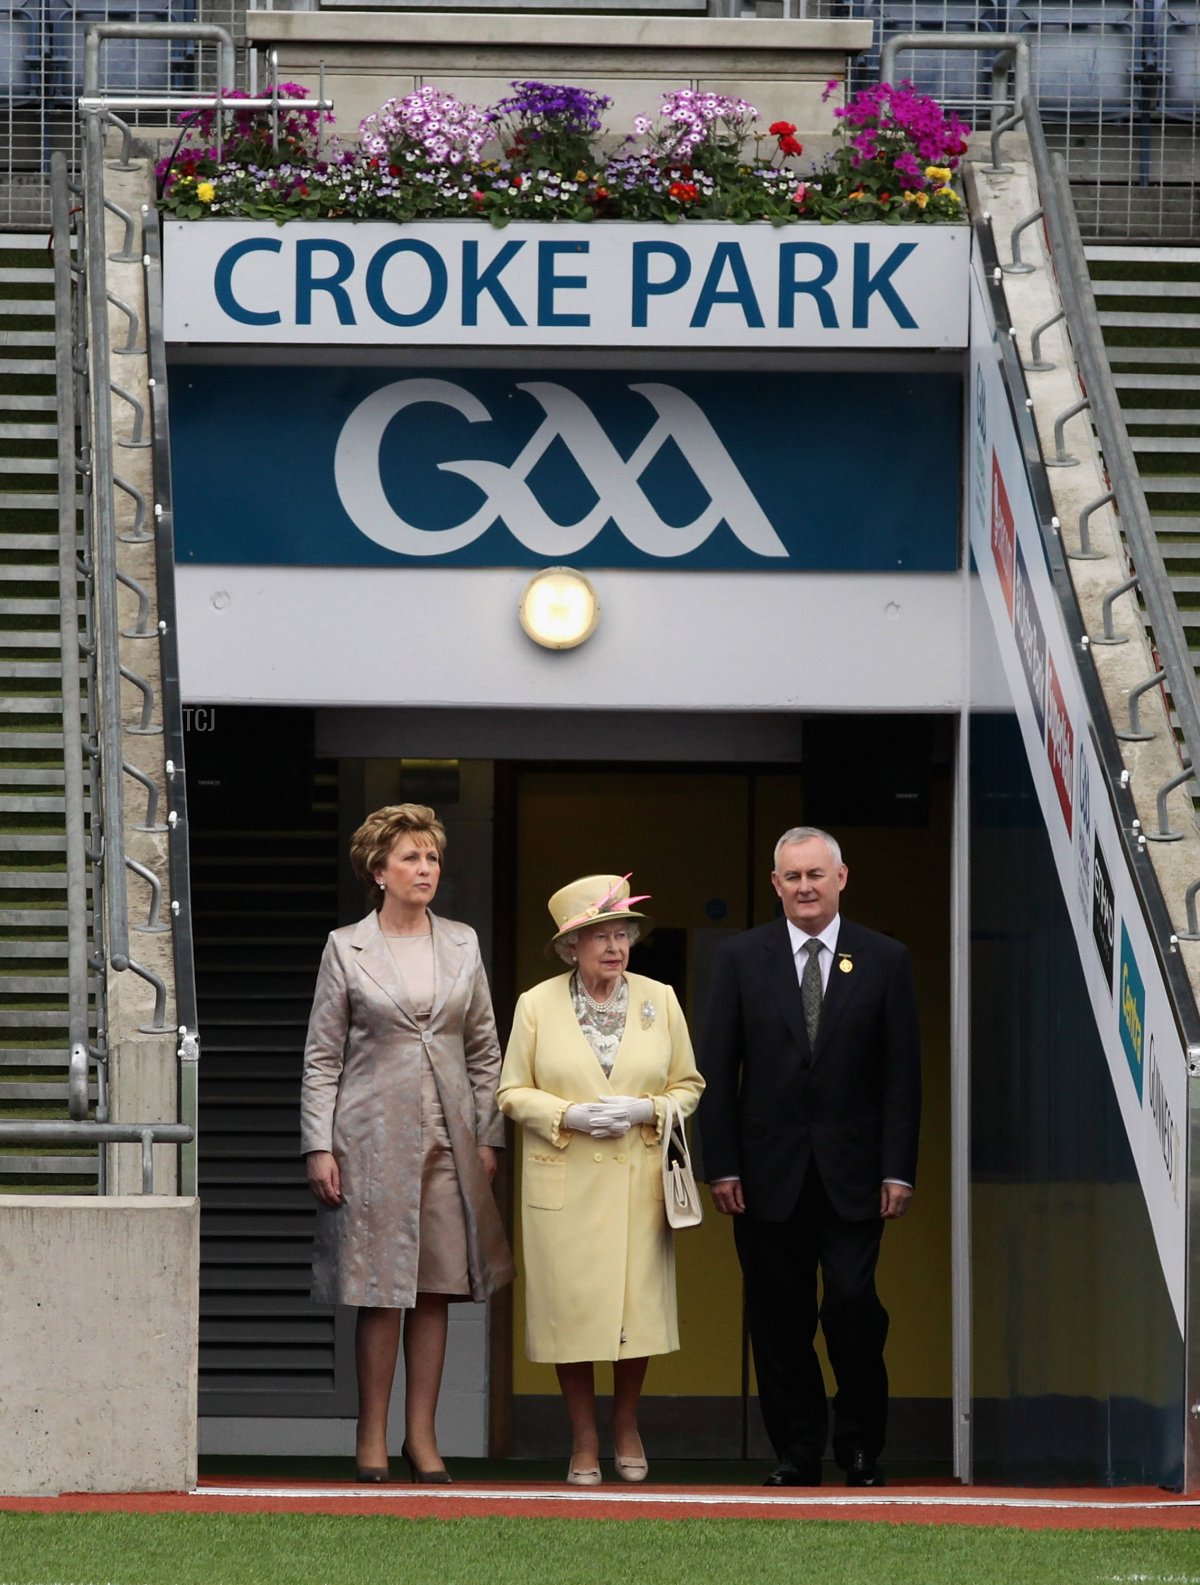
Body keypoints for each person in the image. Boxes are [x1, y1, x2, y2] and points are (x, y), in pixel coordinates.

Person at [698, 826, 920, 1489]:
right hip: (764, 1177)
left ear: (841, 877)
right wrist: (723, 1164)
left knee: (853, 1306)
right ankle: (797, 1451)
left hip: (856, 1176)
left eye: (815, 874)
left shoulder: (885, 958)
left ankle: (858, 1447)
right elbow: (717, 1065)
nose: (804, 886)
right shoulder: (740, 958)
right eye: (792, 877)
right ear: (776, 885)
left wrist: (898, 1166)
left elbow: (901, 1076)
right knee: (777, 1317)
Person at [300, 803, 515, 1485]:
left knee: (436, 1287)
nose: (425, 869)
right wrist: (318, 1145)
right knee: (379, 1287)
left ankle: (422, 1437)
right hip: (369, 1136)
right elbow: (321, 1058)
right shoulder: (346, 946)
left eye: (432, 858)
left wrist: (489, 1135)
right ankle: (370, 1435)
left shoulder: (462, 941)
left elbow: (485, 1049)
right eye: (411, 858)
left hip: (450, 1138)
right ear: (378, 870)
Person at [497, 873, 704, 1486]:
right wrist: (568, 1114)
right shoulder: (536, 1004)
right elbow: (510, 1092)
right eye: (599, 936)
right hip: (566, 1180)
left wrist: (648, 1110)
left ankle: (626, 1426)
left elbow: (688, 1085)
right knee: (573, 1313)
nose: (614, 947)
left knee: (633, 1312)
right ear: (570, 947)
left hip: (639, 1181)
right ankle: (584, 1439)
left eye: (623, 934)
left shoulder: (659, 997)